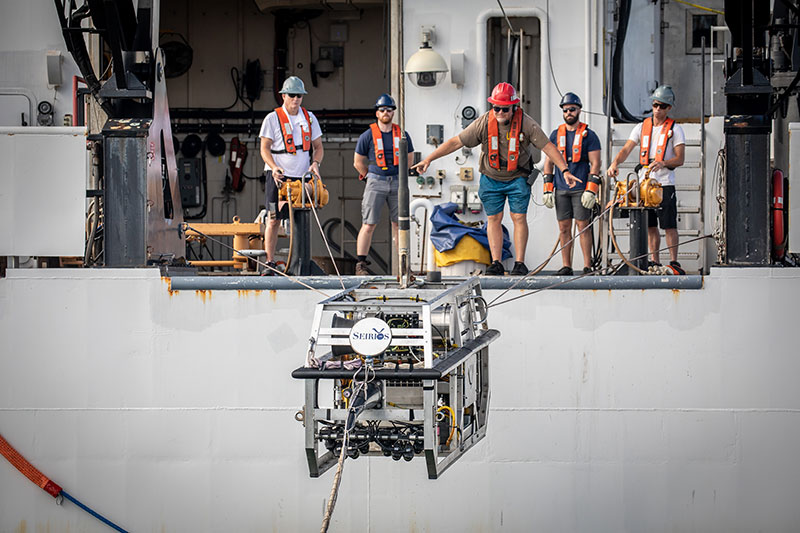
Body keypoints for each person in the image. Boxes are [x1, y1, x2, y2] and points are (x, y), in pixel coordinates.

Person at [413, 82, 578, 276]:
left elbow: (548, 147)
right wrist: (429, 159)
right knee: (493, 218)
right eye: (496, 107)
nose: (500, 112)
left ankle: (519, 263)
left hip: (517, 177)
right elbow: (456, 142)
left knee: (518, 217)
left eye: (504, 108)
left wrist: (565, 170)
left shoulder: (527, 123)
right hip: (491, 178)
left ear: (513, 107)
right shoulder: (484, 122)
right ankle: (496, 261)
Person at [606, 85, 686, 272]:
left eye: (662, 106)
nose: (658, 109)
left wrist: (663, 163)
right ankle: (654, 260)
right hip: (644, 183)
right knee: (650, 225)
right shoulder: (641, 127)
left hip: (664, 183)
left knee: (669, 225)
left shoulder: (676, 129)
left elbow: (680, 158)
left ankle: (674, 261)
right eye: (656, 104)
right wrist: (614, 163)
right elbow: (627, 148)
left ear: (669, 108)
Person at [259, 76, 324, 273]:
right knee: (273, 218)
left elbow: (318, 147)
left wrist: (315, 163)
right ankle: (270, 262)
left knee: (301, 218)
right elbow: (264, 148)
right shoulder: (272, 119)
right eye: (293, 95)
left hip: (302, 177)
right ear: (284, 96)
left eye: (300, 96)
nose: (296, 99)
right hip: (278, 176)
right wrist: (273, 167)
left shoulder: (309, 118)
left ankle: (301, 261)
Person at [352, 94, 415, 276]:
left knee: (399, 224)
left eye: (389, 109)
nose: (385, 112)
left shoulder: (402, 134)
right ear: (377, 113)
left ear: (393, 112)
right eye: (382, 110)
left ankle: (404, 266)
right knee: (369, 224)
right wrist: (369, 177)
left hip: (397, 182)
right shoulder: (368, 135)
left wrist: (400, 175)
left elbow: (409, 158)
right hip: (375, 181)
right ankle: (361, 265)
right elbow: (358, 162)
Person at [542, 92, 602, 276]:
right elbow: (548, 162)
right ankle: (566, 266)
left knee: (583, 226)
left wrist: (591, 189)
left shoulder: (589, 136)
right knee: (563, 228)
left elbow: (596, 163)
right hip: (561, 189)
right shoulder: (555, 135)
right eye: (566, 109)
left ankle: (586, 267)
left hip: (581, 189)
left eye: (572, 109)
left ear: (579, 110)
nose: (569, 112)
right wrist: (547, 189)